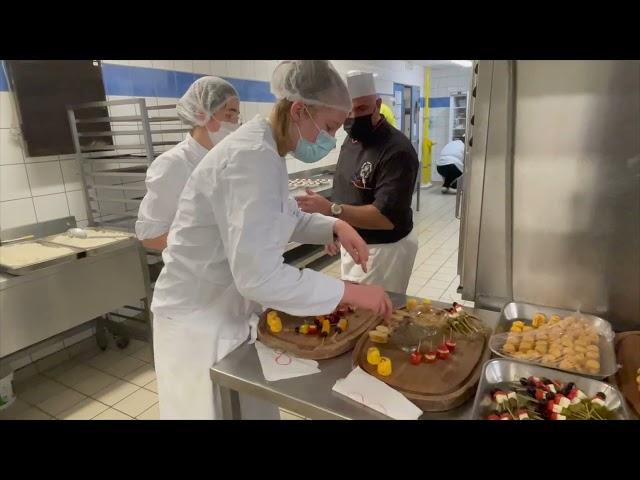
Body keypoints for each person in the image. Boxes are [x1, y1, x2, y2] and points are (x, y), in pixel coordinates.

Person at [150, 60, 393, 420]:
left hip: (229, 309)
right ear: (299, 110)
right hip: (197, 321)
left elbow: (281, 216)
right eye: (327, 127)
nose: (328, 141)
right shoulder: (249, 157)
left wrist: (333, 227)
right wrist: (351, 292)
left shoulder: (268, 150)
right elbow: (260, 276)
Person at [296, 71, 419, 295]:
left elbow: (385, 218)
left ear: (378, 105)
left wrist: (332, 210)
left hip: (383, 249)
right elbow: (346, 188)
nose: (353, 117)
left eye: (361, 109)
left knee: (374, 317)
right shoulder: (351, 141)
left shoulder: (397, 151)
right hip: (353, 241)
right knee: (356, 311)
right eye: (347, 111)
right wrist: (332, 230)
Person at [135, 76, 241, 250]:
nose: (234, 125)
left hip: (228, 269)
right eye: (228, 115)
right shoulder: (173, 164)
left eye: (236, 117)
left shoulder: (227, 160)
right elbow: (150, 236)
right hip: (194, 273)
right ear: (201, 114)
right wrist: (206, 246)